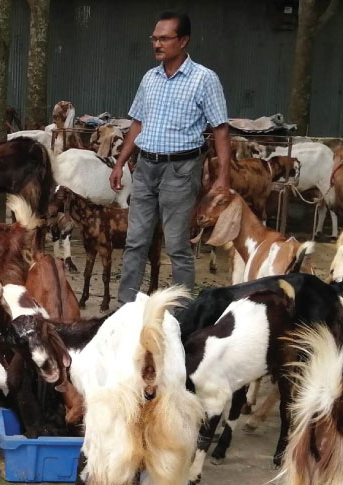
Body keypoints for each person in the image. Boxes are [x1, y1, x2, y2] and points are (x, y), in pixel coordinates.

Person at [110, 11, 231, 298]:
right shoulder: (149, 78)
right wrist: (119, 163)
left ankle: (182, 313)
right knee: (135, 240)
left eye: (164, 38)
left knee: (177, 244)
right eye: (154, 38)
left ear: (184, 41)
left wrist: (223, 176)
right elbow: (138, 122)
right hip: (145, 168)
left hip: (180, 170)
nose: (157, 44)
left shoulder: (204, 79)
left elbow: (221, 130)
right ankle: (126, 307)